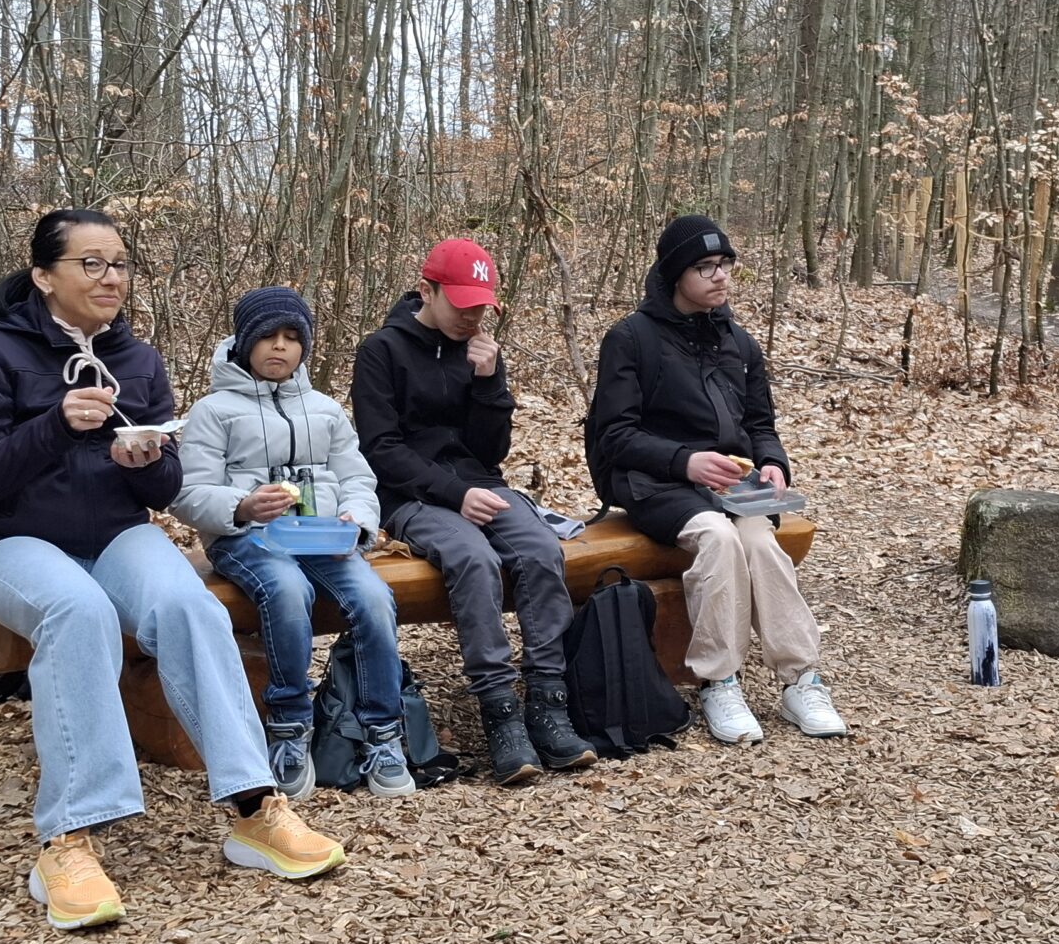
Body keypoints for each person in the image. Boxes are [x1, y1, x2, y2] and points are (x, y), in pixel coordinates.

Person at [0, 209, 344, 931]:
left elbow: (165, 490)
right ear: (44, 276)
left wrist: (145, 461)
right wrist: (53, 425)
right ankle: (67, 840)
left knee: (192, 606)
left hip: (117, 534)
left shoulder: (137, 360)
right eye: (91, 263)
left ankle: (255, 807)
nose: (111, 278)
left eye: (120, 264)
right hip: (12, 542)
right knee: (79, 610)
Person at [587, 216, 846, 744]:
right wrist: (685, 461)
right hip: (654, 484)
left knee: (763, 543)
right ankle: (719, 681)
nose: (721, 276)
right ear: (674, 273)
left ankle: (801, 679)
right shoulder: (631, 339)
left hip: (731, 487)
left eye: (725, 264)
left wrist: (772, 464)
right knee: (719, 538)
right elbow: (613, 436)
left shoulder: (739, 343)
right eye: (705, 266)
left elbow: (760, 425)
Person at [352, 238, 593, 784]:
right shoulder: (381, 352)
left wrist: (488, 384)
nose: (472, 317)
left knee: (540, 549)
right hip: (409, 495)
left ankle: (548, 704)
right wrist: (453, 494)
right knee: (473, 558)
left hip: (479, 484)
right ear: (427, 291)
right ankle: (500, 712)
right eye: (461, 304)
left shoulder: (481, 351)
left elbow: (491, 452)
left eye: (482, 306)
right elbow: (381, 450)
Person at [169, 286, 414, 801]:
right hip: (247, 538)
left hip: (324, 537)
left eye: (291, 337)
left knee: (373, 598)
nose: (280, 346)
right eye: (267, 337)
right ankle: (289, 726)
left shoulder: (324, 409)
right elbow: (187, 493)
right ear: (244, 343)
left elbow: (358, 478)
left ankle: (383, 732)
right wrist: (242, 505)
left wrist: (356, 521)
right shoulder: (213, 410)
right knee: (286, 590)